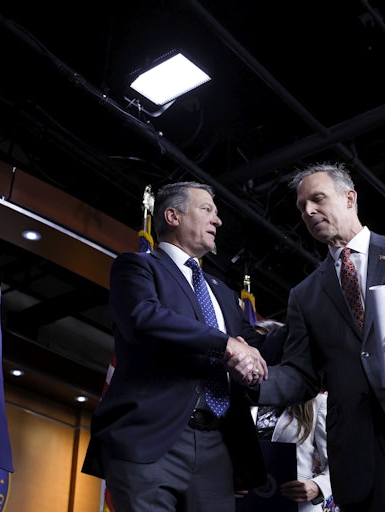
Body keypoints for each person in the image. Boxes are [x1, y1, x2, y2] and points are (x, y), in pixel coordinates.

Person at [230, 162, 385, 512]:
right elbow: (302, 376)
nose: (308, 211)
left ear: (350, 197)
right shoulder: (304, 295)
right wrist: (255, 374)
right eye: (302, 207)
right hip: (358, 458)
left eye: (318, 199)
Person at [81, 181, 269, 512]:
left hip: (217, 446)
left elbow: (255, 345)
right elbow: (144, 318)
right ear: (173, 216)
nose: (217, 221)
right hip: (150, 440)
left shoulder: (223, 294)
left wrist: (310, 322)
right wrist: (224, 344)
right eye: (207, 210)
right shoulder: (137, 267)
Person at [248, 320, 339, 511]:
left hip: (295, 505)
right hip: (248, 504)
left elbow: (341, 464)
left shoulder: (317, 403)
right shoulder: (240, 401)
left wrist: (318, 486)